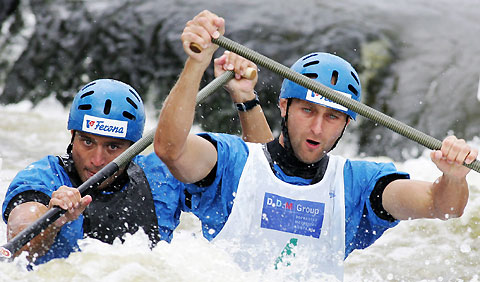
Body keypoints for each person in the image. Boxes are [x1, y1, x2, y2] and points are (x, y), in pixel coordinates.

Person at [154, 10, 479, 280]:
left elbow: (443, 207)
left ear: (348, 123)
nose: (318, 128)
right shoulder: (231, 160)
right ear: (284, 106)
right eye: (307, 110)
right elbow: (171, 149)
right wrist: (197, 63)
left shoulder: (360, 184)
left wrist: (452, 177)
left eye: (333, 117)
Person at [2, 73, 272, 264]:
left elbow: (258, 176)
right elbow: (20, 238)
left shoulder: (163, 174)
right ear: (71, 134)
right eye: (87, 141)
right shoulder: (43, 177)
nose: (97, 159)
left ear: (134, 147)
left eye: (113, 147)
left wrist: (245, 98)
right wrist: (54, 218)